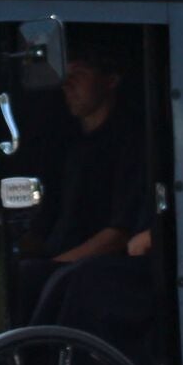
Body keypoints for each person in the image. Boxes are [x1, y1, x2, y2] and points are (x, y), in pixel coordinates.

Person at [16, 34, 149, 325]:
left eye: (80, 74)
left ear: (110, 80)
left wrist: (54, 265)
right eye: (66, 74)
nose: (68, 84)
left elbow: (119, 233)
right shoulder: (67, 146)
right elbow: (47, 222)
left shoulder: (132, 144)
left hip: (100, 267)